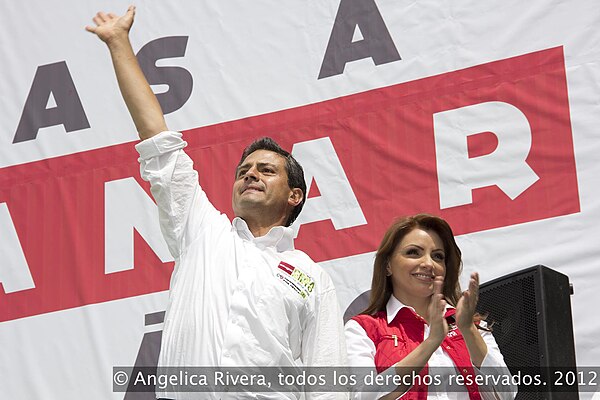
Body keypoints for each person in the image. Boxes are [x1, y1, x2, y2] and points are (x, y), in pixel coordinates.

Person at [86, 6, 346, 399]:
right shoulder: (202, 230)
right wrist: (119, 43)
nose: (250, 174)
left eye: (266, 170)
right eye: (244, 169)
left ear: (295, 196)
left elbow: (328, 385)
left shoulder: (312, 278)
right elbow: (158, 142)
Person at [345, 214, 517, 399]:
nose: (428, 263)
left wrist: (467, 329)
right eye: (413, 252)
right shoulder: (363, 329)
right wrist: (431, 343)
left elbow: (507, 394)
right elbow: (363, 396)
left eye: (437, 256)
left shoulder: (468, 324)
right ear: (388, 265)